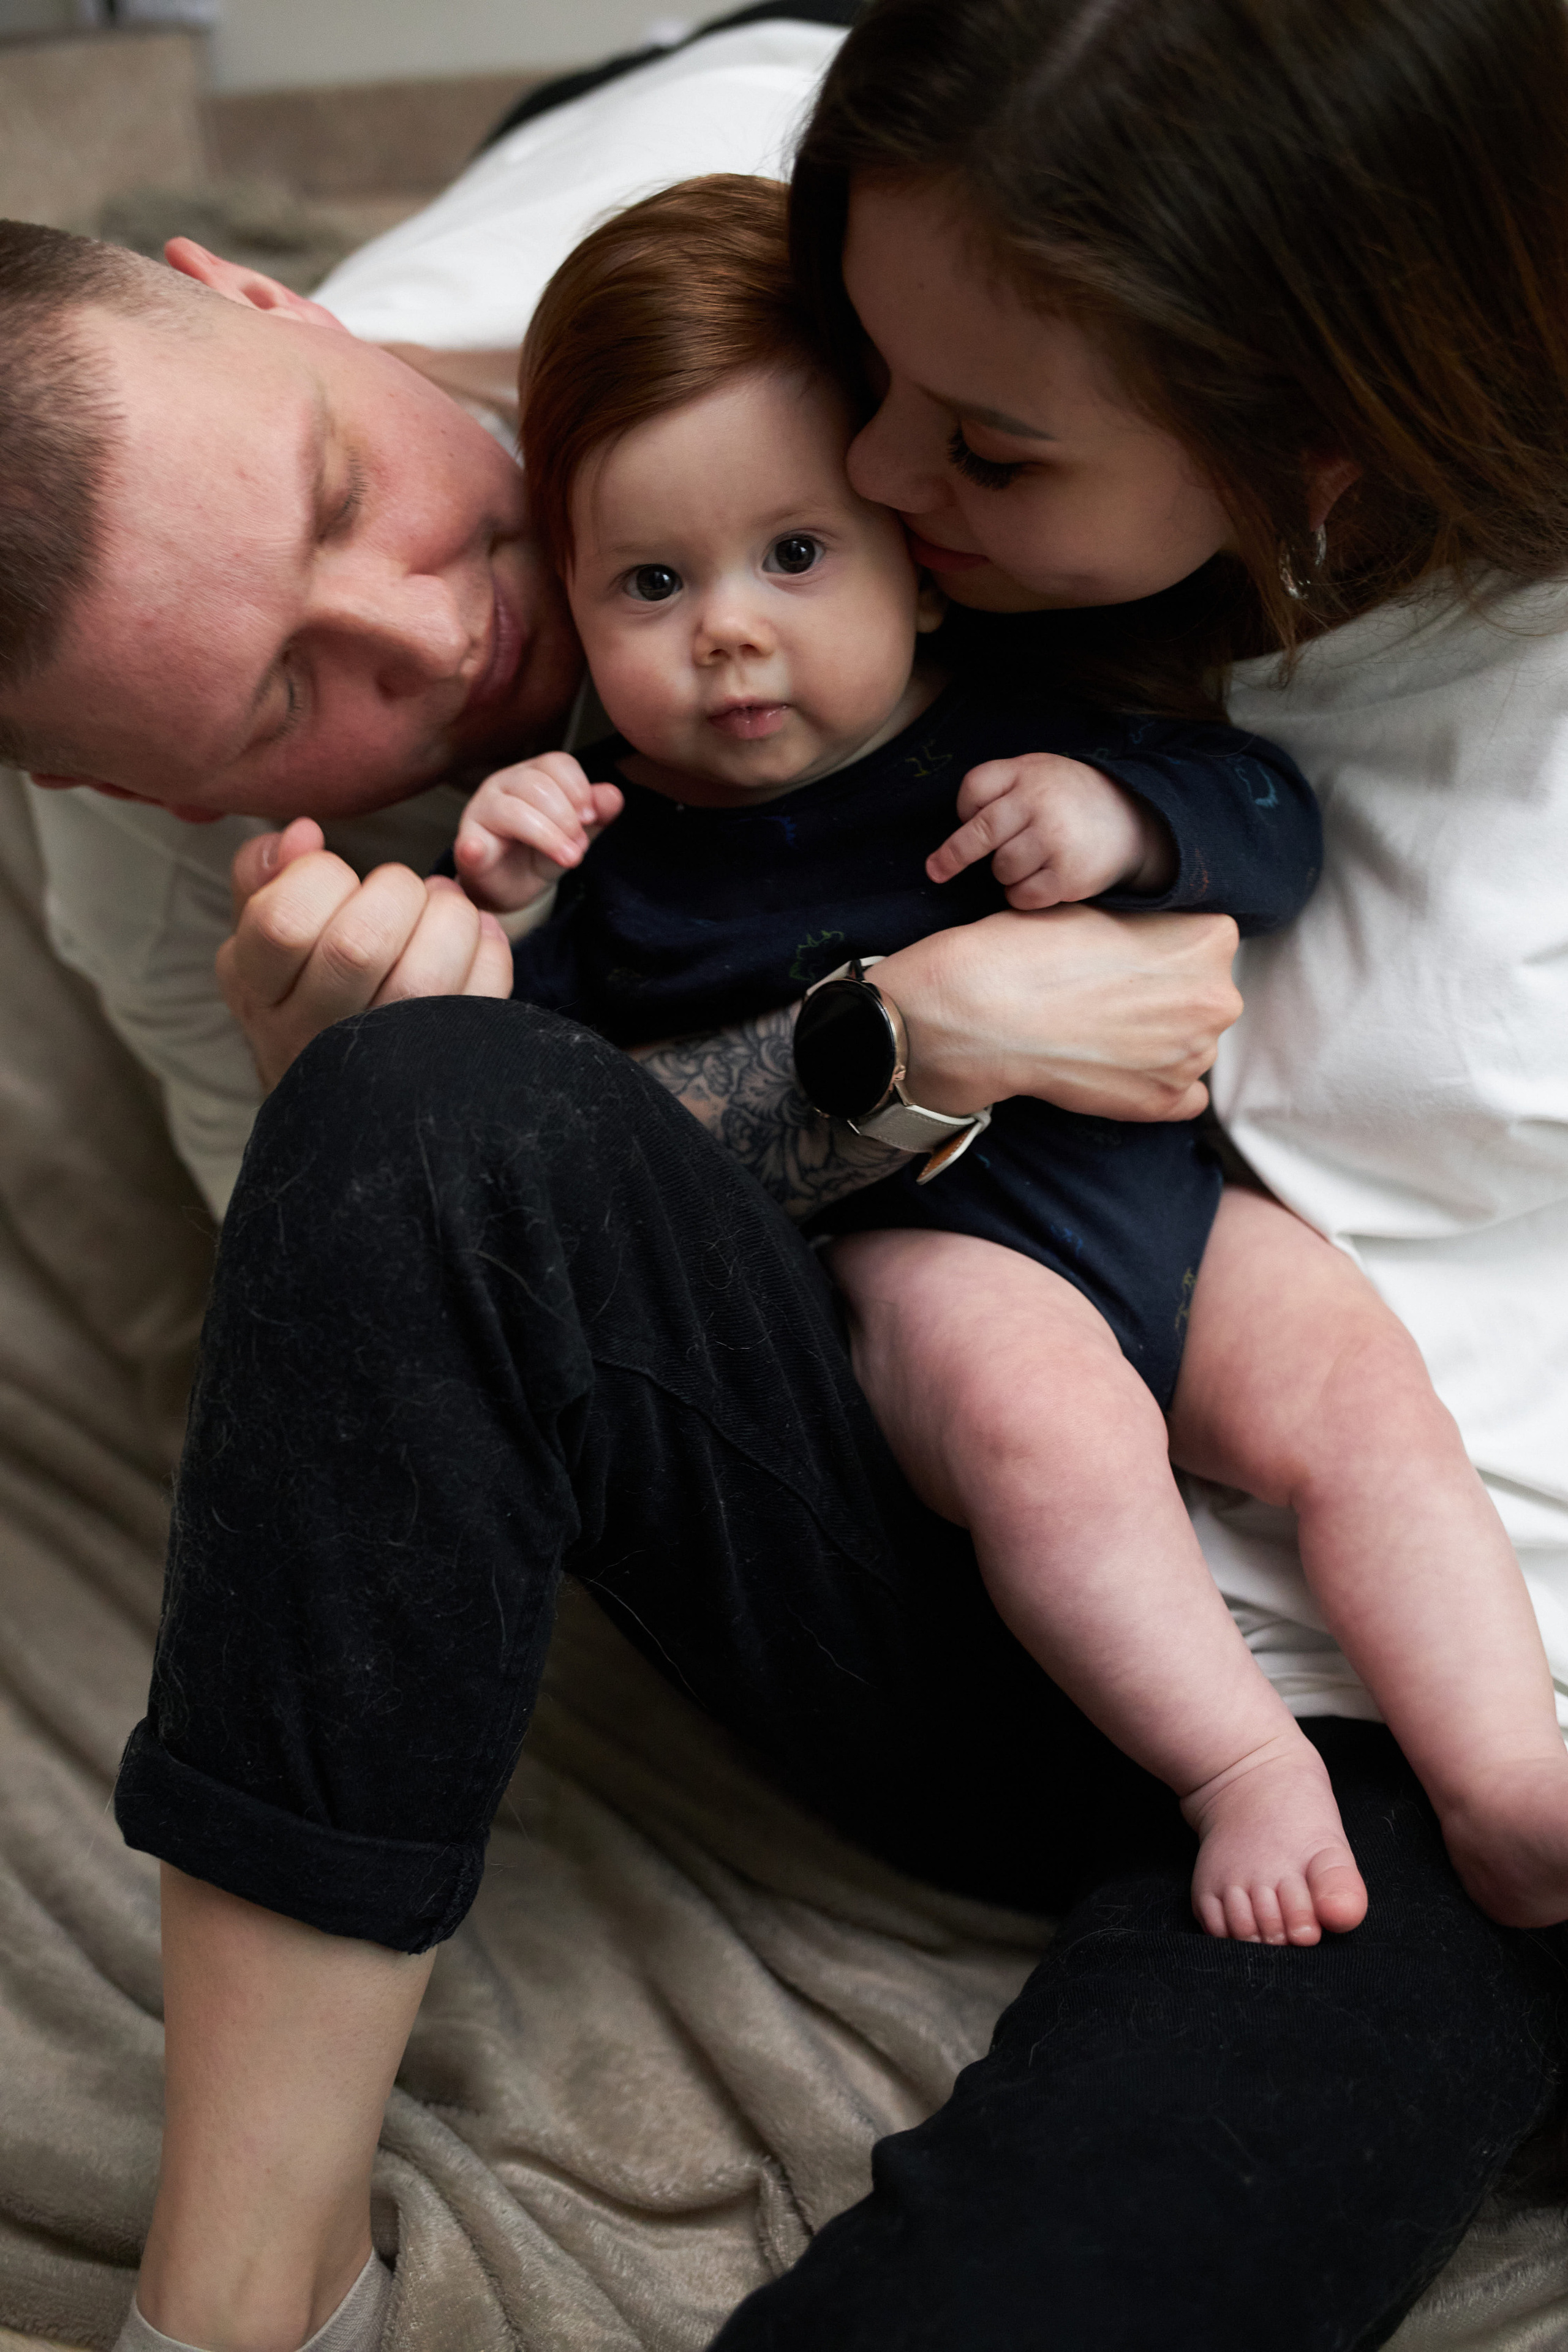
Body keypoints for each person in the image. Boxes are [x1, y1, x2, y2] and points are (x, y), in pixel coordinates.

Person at [0, 5, 1562, 2351]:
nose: (445, 630)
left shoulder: (911, 233)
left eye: (350, 499)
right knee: (406, 1107)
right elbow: (446, 1391)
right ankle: (236, 2308)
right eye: (268, 714)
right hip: (942, 1513)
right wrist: (889, 1046)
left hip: (1430, 1656)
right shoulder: (239, 881)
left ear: (259, 293)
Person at [461, 172, 1568, 1951]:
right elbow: (542, 1126)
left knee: (1367, 1409)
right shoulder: (613, 852)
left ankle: (1510, 1781)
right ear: (577, 612)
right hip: (929, 1259)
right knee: (1049, 1442)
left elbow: (1273, 825)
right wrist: (507, 893)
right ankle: (1238, 1770)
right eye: (653, 583)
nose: (730, 631)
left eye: (795, 555)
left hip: (1163, 1210)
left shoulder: (1030, 715)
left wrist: (1129, 815)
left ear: (915, 566)